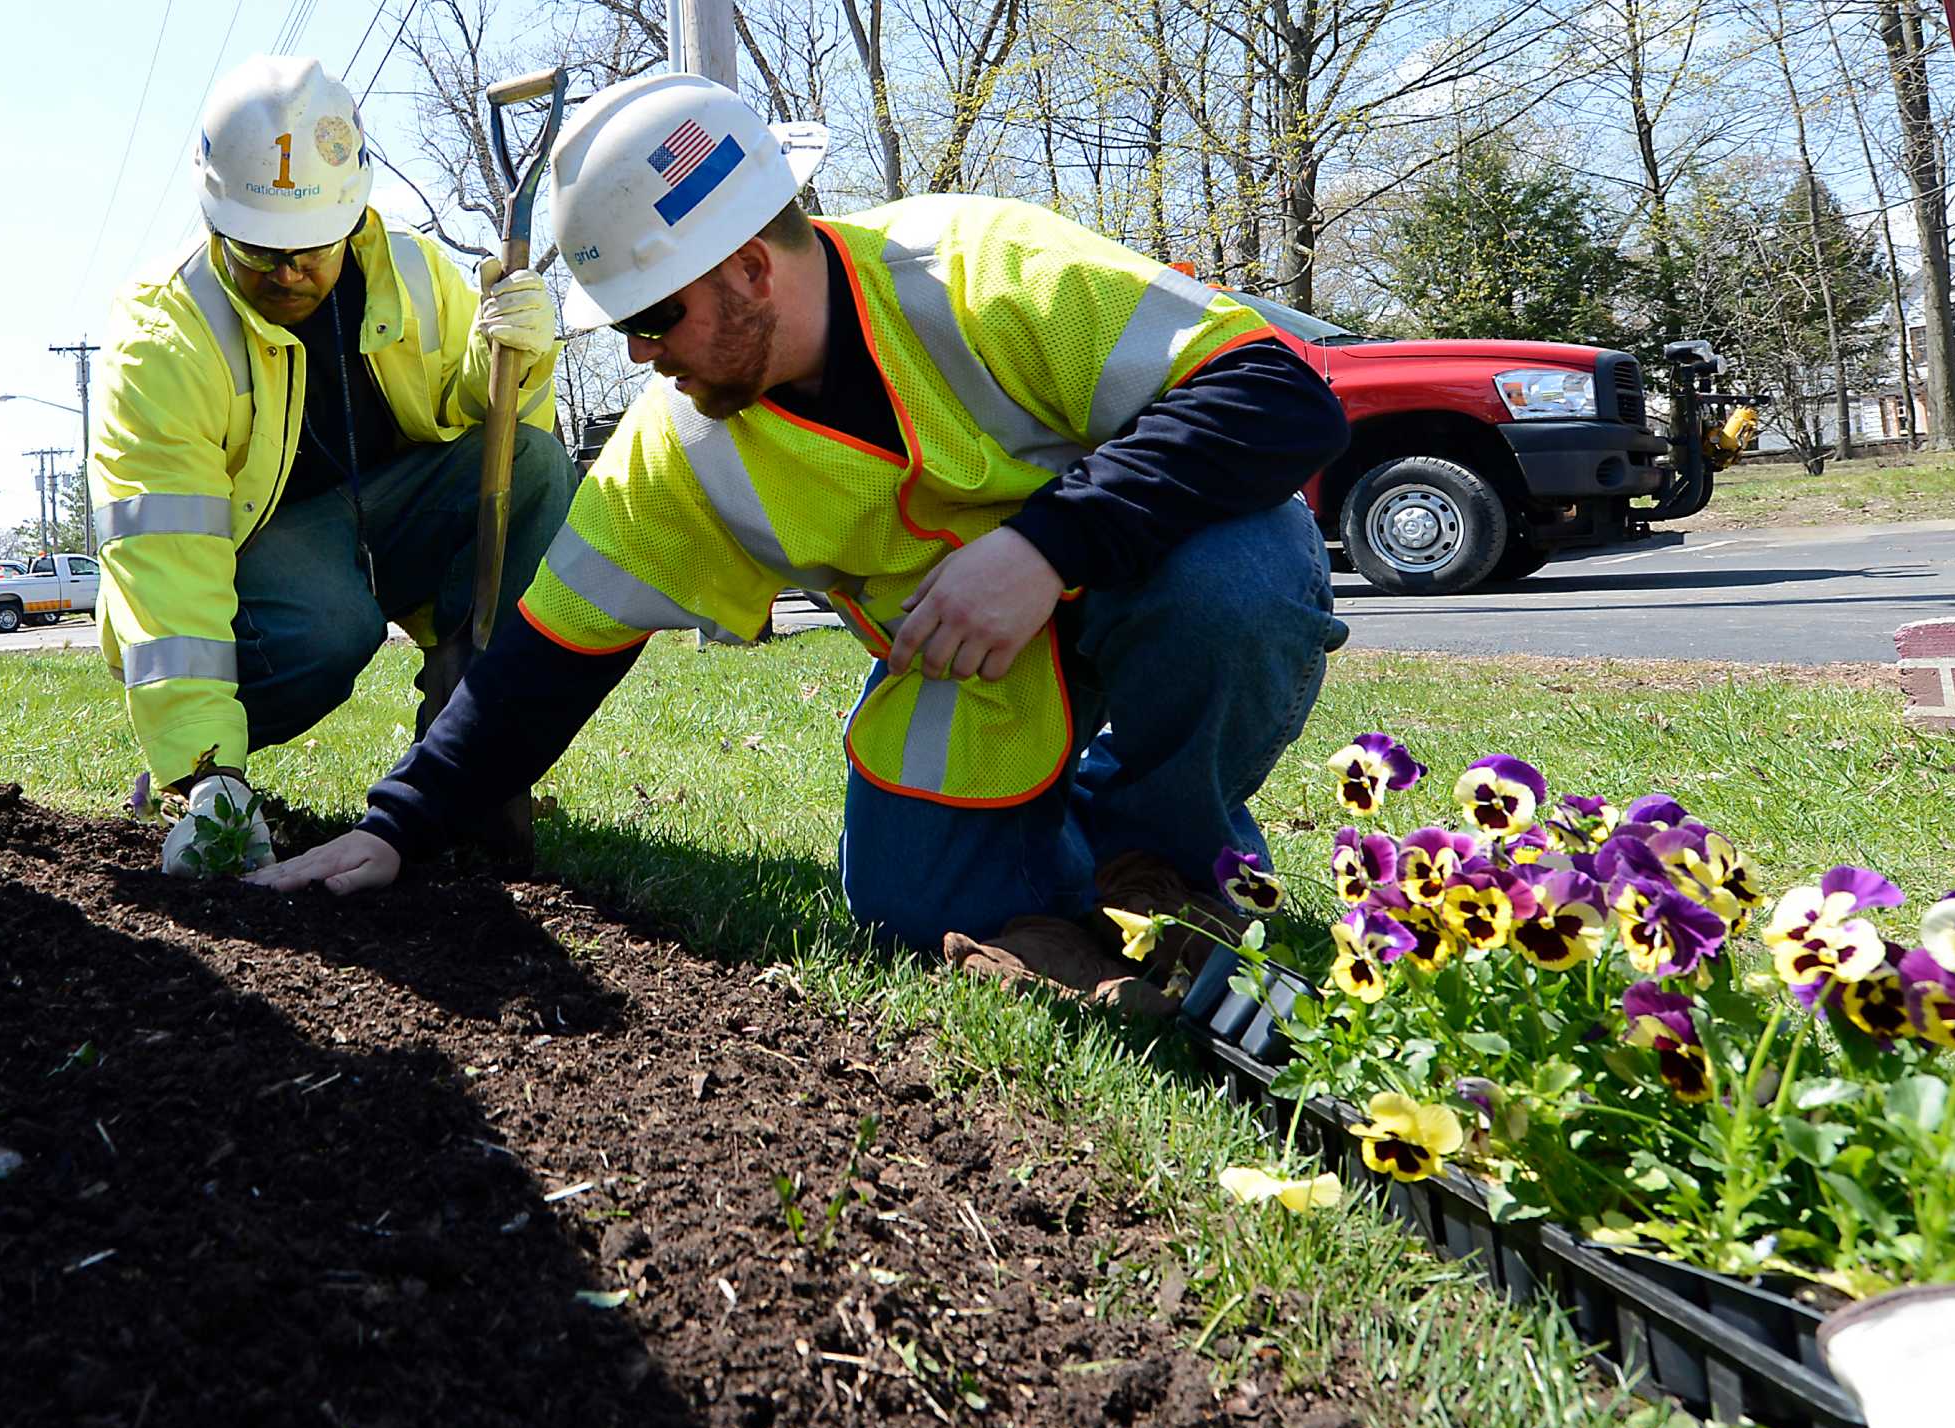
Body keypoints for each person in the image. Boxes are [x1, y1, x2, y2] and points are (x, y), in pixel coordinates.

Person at [253, 73, 1348, 1010]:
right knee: (905, 905)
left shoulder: (979, 268)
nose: (636, 354)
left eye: (652, 317)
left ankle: (1151, 848)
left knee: (1238, 574)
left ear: (748, 269)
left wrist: (1044, 546)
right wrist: (402, 821)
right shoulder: (676, 447)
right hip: (965, 667)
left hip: (1131, 580)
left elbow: (1278, 393)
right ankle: (1061, 867)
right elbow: (545, 656)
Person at [91, 55, 578, 874]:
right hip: (259, 568)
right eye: (260, 252)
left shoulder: (418, 276)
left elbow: (499, 453)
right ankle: (191, 768)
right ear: (213, 219)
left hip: (374, 525)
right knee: (333, 625)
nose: (288, 273)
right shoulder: (163, 341)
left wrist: (514, 365)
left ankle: (462, 753)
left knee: (535, 464)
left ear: (353, 218)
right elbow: (165, 561)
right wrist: (206, 767)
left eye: (310, 250)